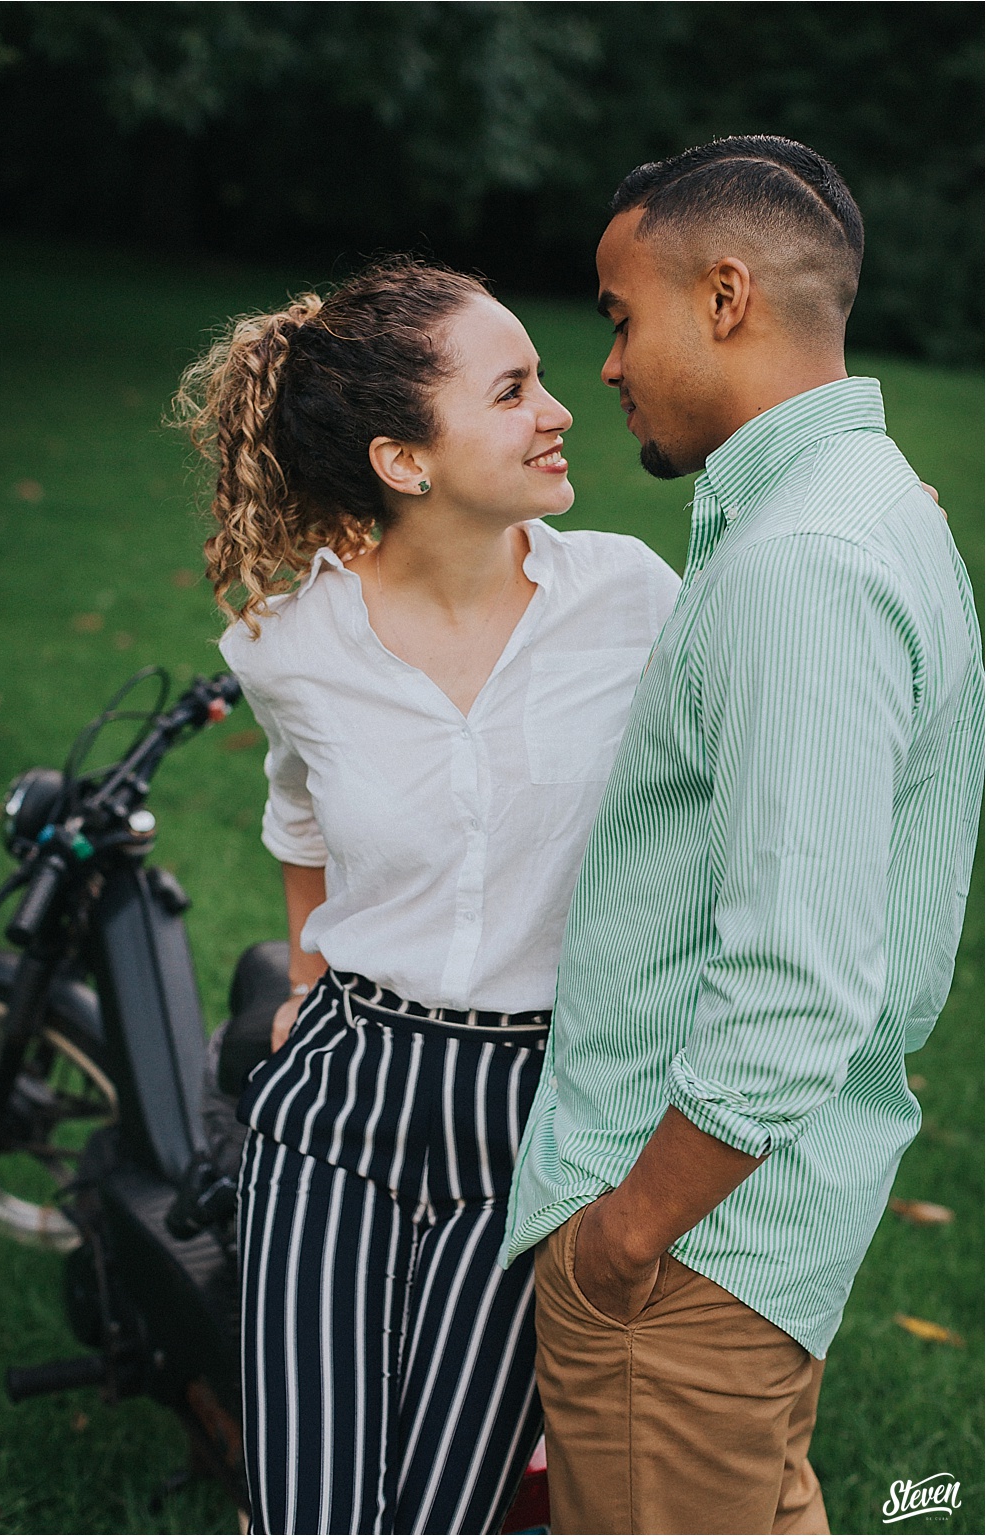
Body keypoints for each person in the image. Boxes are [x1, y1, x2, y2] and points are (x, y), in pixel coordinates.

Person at [503, 136, 984, 1535]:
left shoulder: (800, 570)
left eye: (615, 315)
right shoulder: (857, 511)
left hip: (691, 1253)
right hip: (749, 1234)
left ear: (723, 299)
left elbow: (795, 983)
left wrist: (620, 1241)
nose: (602, 367)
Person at [189, 257, 682, 1534]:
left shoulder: (633, 601)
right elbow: (295, 811)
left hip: (530, 1117)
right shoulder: (285, 646)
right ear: (404, 461)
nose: (557, 408)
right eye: (511, 390)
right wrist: (304, 975)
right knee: (306, 1508)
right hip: (341, 1098)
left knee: (444, 1513)